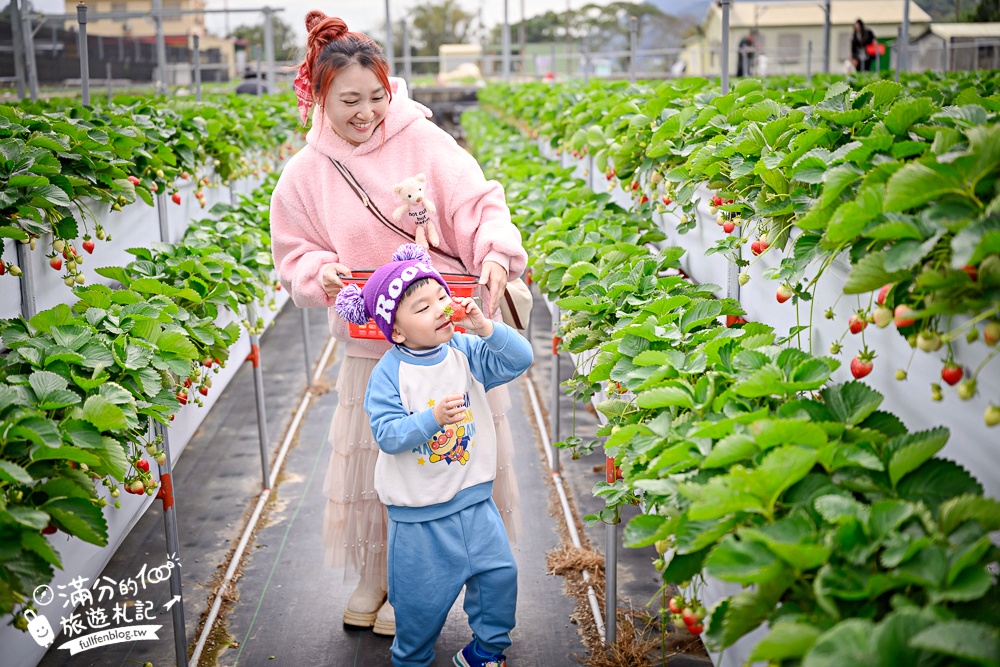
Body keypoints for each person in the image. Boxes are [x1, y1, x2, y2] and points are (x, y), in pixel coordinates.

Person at [269, 11, 528, 638]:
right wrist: (322, 273)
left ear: (392, 90)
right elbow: (293, 251)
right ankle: (378, 575)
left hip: (447, 331)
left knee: (454, 451)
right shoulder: (306, 172)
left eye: (376, 98)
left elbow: (479, 205)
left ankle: (447, 575)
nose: (365, 113)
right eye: (349, 100)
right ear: (319, 97)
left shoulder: (424, 141)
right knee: (380, 454)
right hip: (369, 342)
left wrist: (494, 254)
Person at [335, 243, 532, 667]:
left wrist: (486, 328)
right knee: (419, 606)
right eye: (422, 307)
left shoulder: (465, 350)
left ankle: (485, 651)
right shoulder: (390, 372)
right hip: (420, 518)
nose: (441, 308)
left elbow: (521, 359)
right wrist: (432, 419)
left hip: (476, 503)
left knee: (500, 578)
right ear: (398, 331)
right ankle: (413, 658)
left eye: (442, 296)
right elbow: (387, 435)